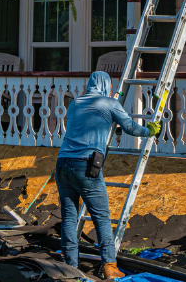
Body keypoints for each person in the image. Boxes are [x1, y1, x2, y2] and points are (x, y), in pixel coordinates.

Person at [57, 71, 161, 279]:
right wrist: (149, 130)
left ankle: (70, 268)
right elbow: (130, 127)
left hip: (62, 163)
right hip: (85, 165)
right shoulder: (109, 103)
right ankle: (110, 267)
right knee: (101, 218)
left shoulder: (75, 103)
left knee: (69, 217)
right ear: (106, 86)